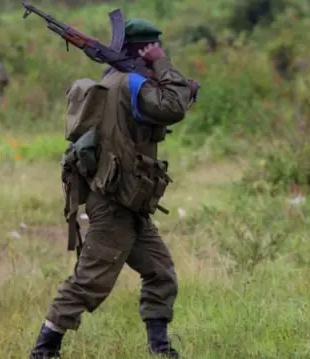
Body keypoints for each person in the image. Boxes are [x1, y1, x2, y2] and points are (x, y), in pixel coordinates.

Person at [29, 18, 196, 359]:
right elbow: (171, 107)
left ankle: (160, 349)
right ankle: (44, 350)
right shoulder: (132, 83)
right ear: (146, 50)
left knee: (160, 272)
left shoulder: (118, 80)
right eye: (154, 49)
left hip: (128, 199)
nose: (159, 56)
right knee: (91, 280)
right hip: (114, 202)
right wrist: (163, 63)